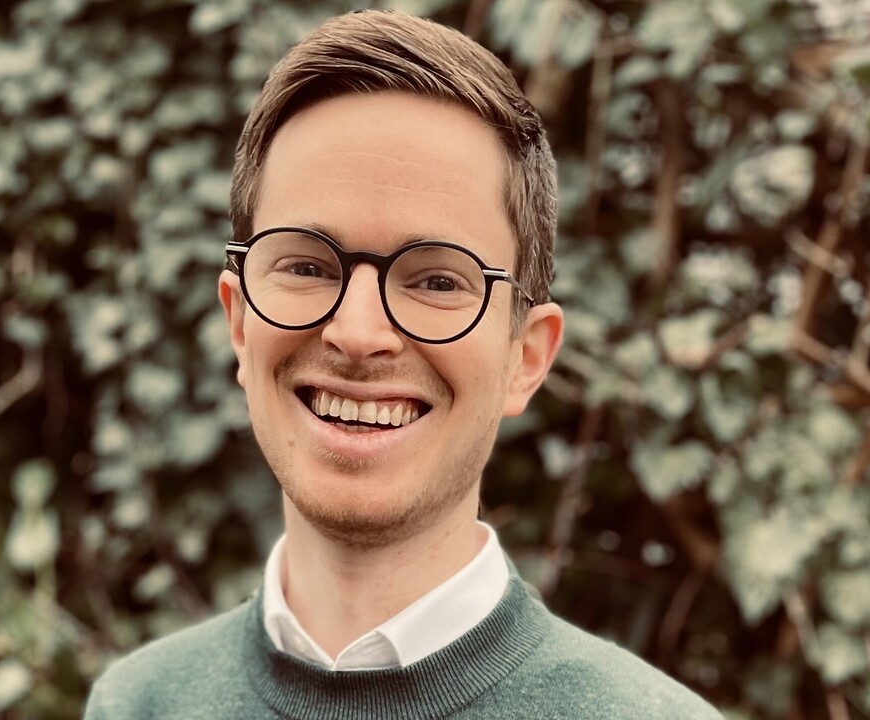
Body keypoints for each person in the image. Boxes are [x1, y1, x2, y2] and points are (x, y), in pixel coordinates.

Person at [84, 10, 723, 719]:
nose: (358, 334)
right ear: (239, 323)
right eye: (306, 265)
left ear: (527, 357)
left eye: (437, 280)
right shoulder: (136, 705)